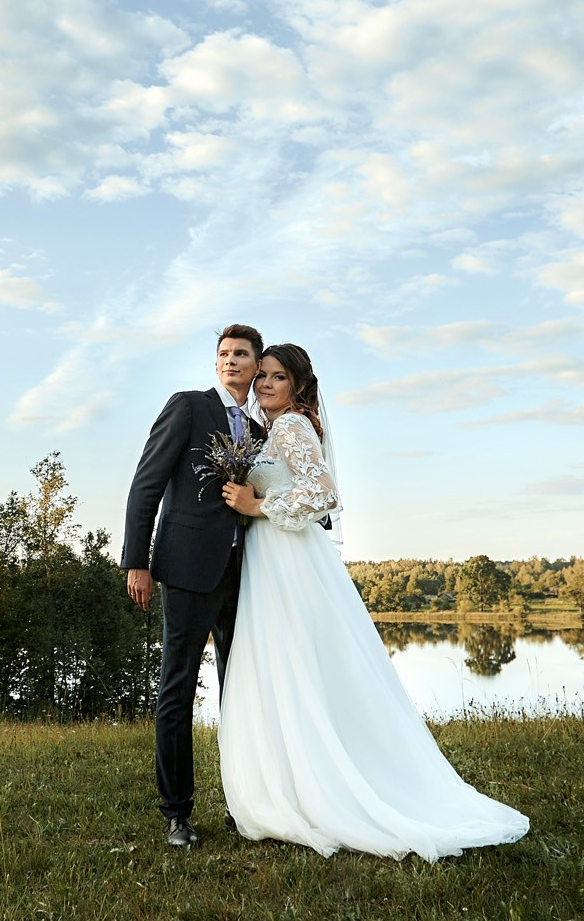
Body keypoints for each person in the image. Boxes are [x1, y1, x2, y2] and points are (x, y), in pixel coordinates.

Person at [216, 344, 530, 860]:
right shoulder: (271, 430)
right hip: (273, 560)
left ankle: (320, 788)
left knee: (295, 664)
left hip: (290, 561)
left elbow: (325, 494)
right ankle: (296, 781)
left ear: (297, 386)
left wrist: (258, 504)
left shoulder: (292, 427)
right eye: (263, 377)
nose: (266, 384)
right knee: (291, 666)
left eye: (278, 377)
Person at [121, 325, 265, 849]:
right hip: (185, 568)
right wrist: (137, 561)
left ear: (256, 364)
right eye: (224, 354)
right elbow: (147, 482)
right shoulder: (187, 407)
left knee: (241, 690)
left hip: (246, 572)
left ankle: (242, 803)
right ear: (216, 363)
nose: (231, 361)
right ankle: (177, 813)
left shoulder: (259, 429)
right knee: (177, 689)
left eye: (241, 354)